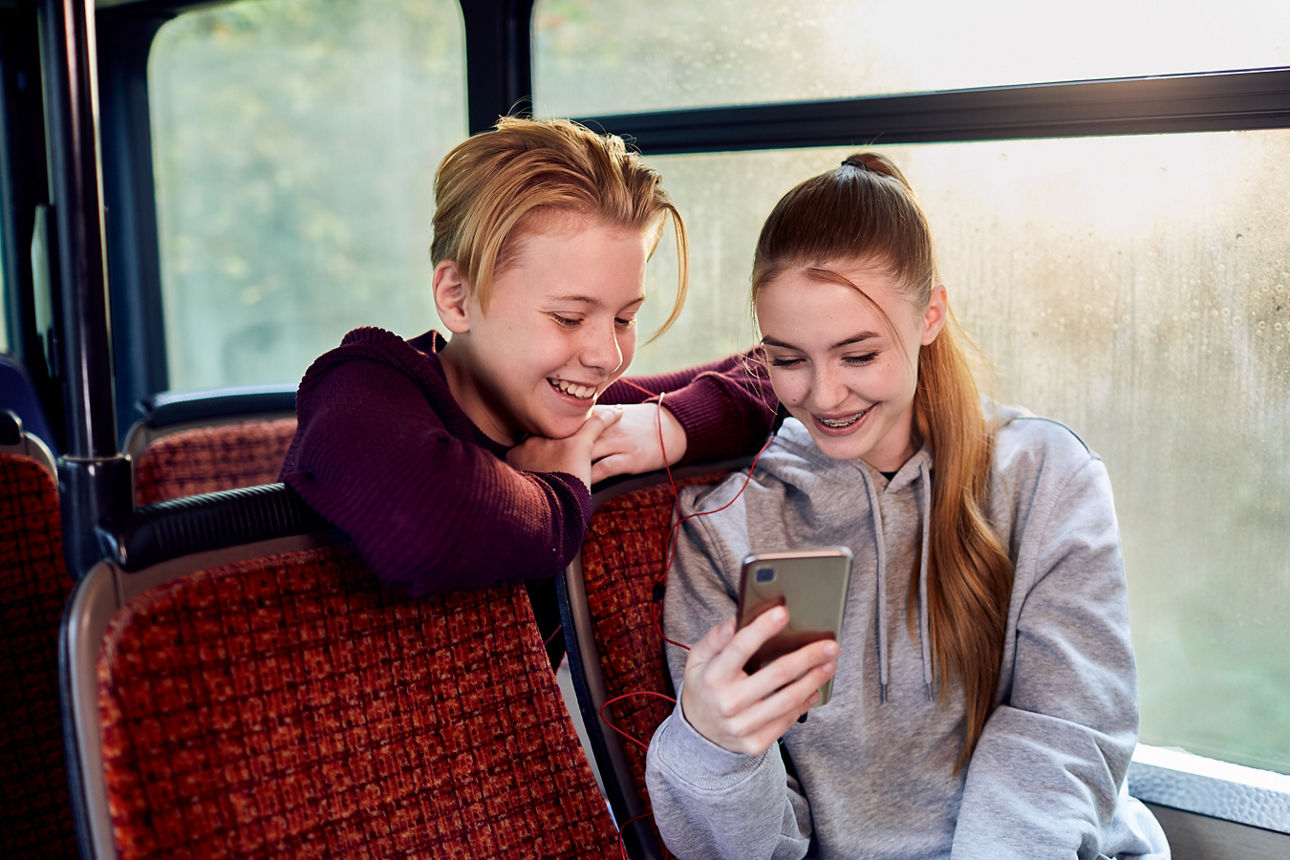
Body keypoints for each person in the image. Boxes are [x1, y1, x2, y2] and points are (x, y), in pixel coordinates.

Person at [644, 153, 1170, 858]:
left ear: (929, 315)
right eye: (789, 360)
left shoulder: (1047, 476)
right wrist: (712, 747)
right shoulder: (728, 524)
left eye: (858, 355)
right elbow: (762, 846)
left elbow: (1063, 737)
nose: (824, 396)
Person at [277, 117, 776, 652]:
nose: (608, 356)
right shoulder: (360, 383)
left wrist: (671, 422)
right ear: (457, 297)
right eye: (567, 318)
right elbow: (424, 526)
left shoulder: (566, 409)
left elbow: (781, 370)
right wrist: (561, 489)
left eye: (625, 319)